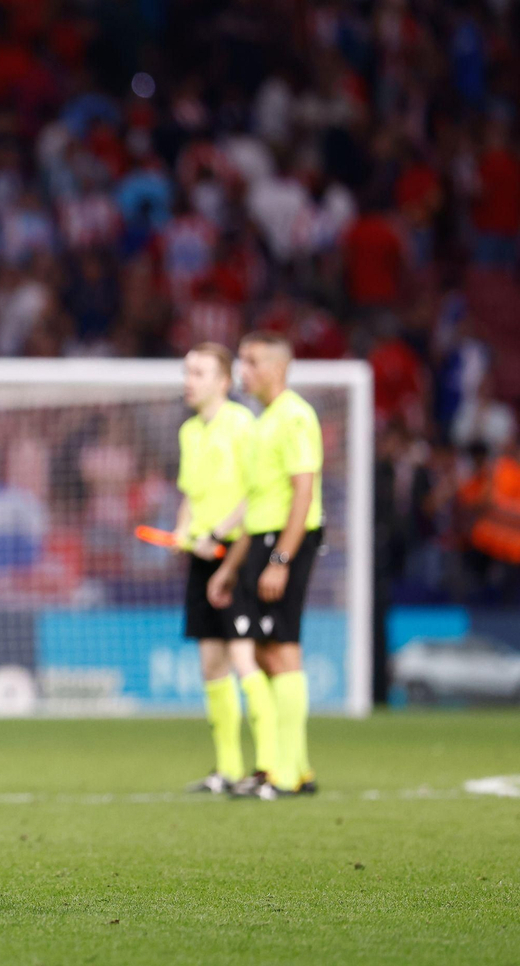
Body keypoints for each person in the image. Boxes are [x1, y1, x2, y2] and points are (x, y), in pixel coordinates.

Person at [208, 330, 323, 799]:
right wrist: (232, 566)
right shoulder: (264, 421)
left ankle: (287, 774)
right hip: (262, 541)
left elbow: (303, 494)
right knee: (263, 653)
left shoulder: (295, 416)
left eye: (252, 361)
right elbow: (257, 504)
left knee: (281, 650)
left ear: (278, 367)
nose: (244, 371)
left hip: (285, 541)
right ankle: (294, 768)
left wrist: (280, 559)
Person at [172, 343, 280, 794]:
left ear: (223, 382)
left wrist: (217, 533)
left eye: (198, 373)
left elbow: (256, 494)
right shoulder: (189, 431)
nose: (188, 381)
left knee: (242, 656)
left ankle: (271, 767)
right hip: (202, 555)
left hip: (237, 552)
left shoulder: (242, 425)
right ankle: (229, 770)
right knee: (211, 663)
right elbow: (190, 494)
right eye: (187, 372)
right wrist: (182, 531)